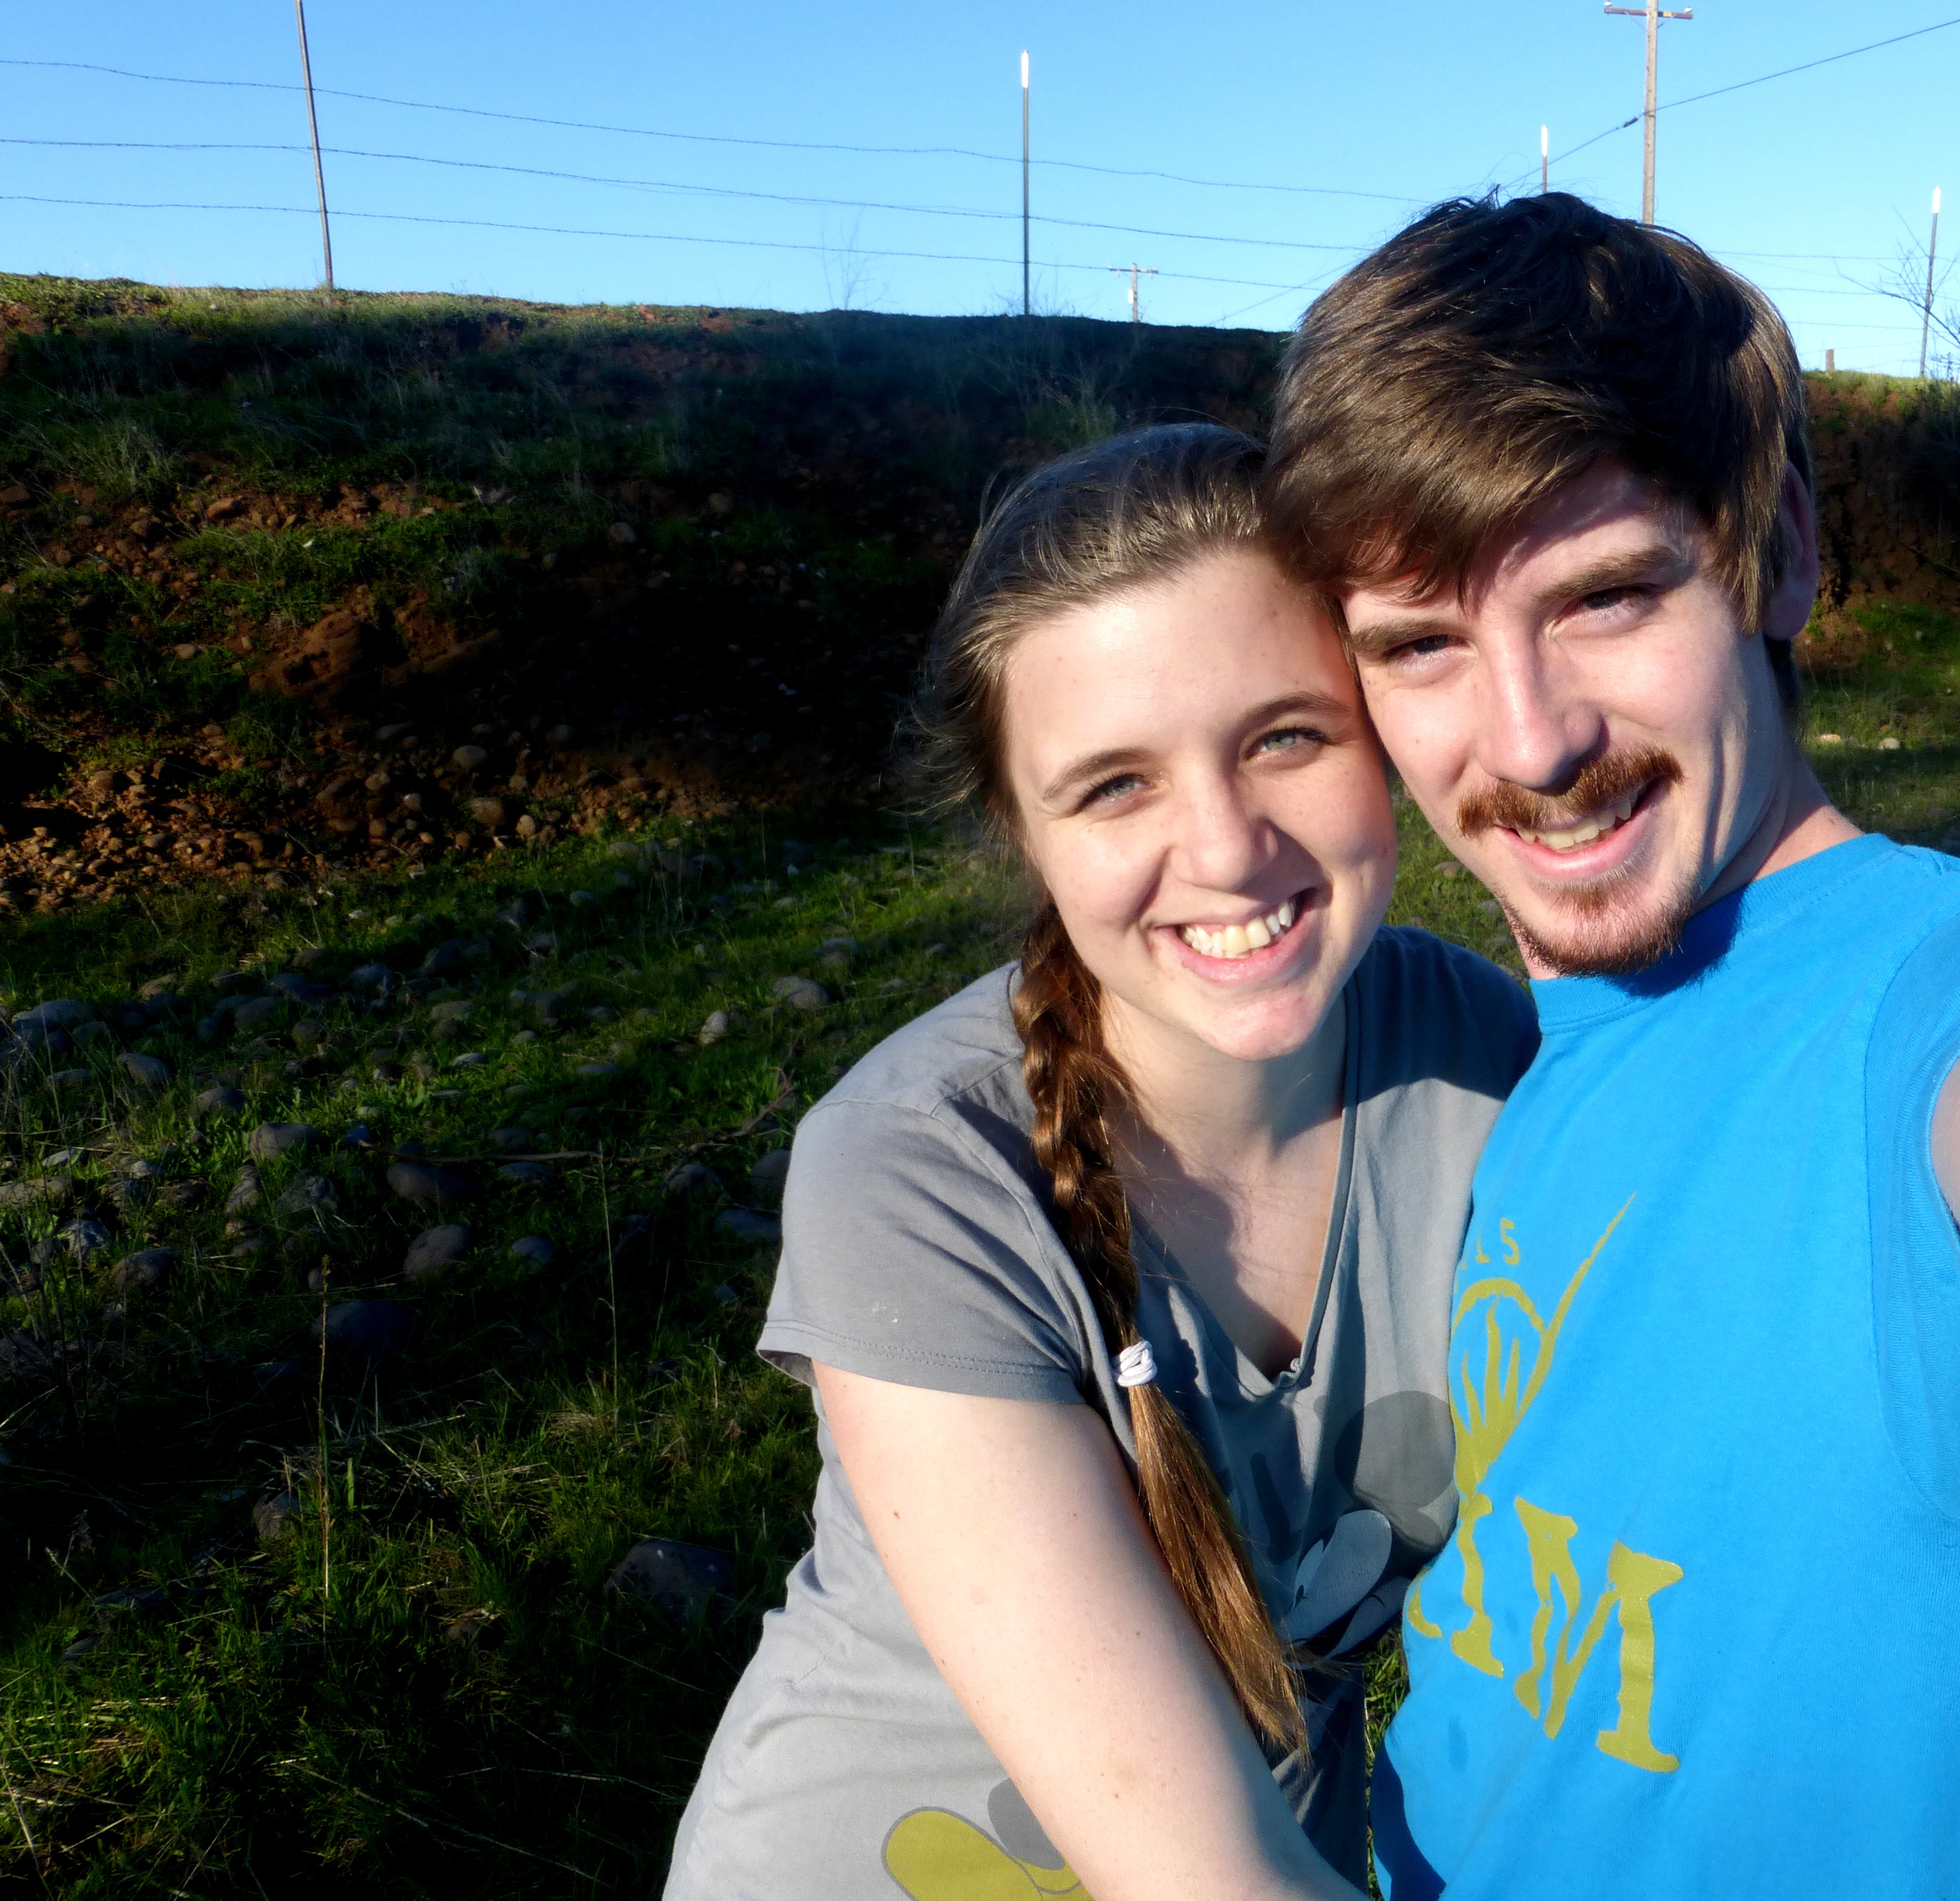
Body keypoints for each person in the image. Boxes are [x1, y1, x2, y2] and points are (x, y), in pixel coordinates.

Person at [667, 424, 1537, 1900]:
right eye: (1116, 785)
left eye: (1285, 737)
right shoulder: (917, 1174)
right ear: (1023, 831)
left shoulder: (1488, 1057)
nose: (1226, 847)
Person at [1261, 192, 1960, 1898]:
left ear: (1777, 554)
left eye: (1604, 598)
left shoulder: (1910, 1008)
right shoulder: (1501, 1047)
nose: (1529, 742)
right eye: (1421, 645)